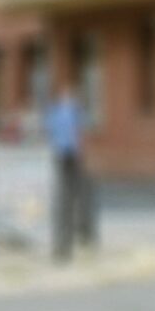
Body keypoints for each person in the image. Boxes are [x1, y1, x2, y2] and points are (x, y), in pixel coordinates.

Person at [43, 81, 88, 261]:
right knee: (69, 201)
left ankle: (61, 246)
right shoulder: (72, 112)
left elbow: (49, 131)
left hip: (62, 157)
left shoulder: (55, 112)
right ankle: (66, 245)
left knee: (63, 202)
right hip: (68, 157)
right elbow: (78, 133)